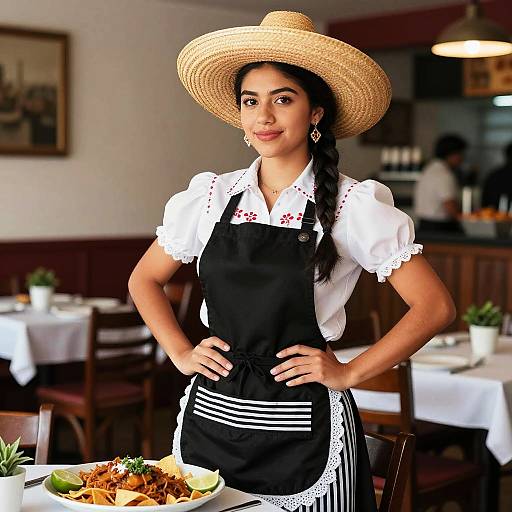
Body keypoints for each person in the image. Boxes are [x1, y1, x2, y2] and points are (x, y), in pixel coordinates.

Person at [128, 11, 455, 512]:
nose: (264, 116)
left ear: (316, 112)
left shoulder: (352, 206)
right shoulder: (211, 196)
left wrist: (348, 373)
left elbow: (434, 307)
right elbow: (144, 279)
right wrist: (180, 352)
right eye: (250, 101)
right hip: (214, 418)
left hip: (307, 425)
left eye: (283, 99)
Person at [414, 134, 467, 232]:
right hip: (439, 227)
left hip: (423, 225)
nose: (462, 158)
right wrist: (466, 224)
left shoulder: (429, 168)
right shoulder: (444, 174)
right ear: (452, 153)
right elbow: (450, 206)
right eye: (461, 154)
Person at [482, 141, 512, 210]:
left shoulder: (493, 175)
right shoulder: (495, 175)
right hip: (501, 216)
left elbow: (485, 201)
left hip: (492, 216)